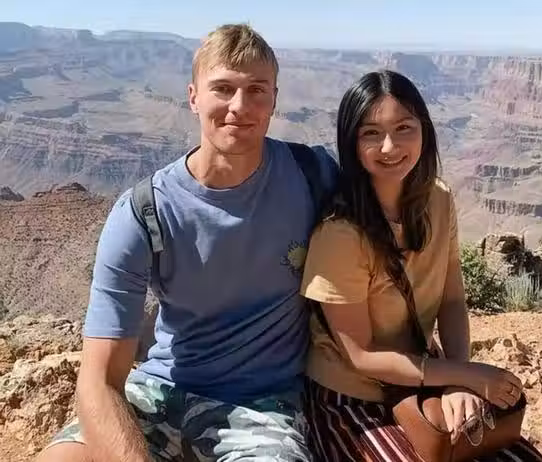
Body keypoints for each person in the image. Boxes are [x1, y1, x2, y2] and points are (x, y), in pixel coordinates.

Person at [36, 24, 337, 462]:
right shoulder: (143, 212)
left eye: (256, 90)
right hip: (159, 391)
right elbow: (98, 380)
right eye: (223, 88)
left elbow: (395, 215)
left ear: (274, 99)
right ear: (193, 97)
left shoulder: (313, 175)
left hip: (262, 409)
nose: (240, 106)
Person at [299, 70, 542, 461]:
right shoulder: (340, 235)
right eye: (371, 133)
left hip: (425, 382)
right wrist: (464, 375)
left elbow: (451, 301)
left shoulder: (439, 200)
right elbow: (361, 356)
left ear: (424, 130)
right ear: (351, 143)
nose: (389, 146)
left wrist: (458, 383)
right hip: (351, 399)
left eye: (404, 128)